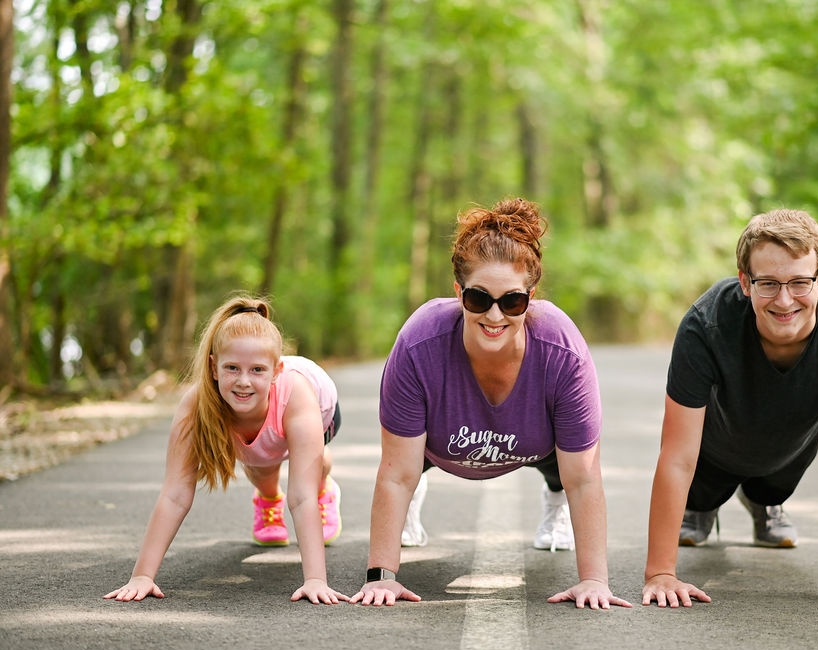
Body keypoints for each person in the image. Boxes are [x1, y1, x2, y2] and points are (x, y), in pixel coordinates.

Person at [350, 197, 631, 610]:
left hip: (540, 447)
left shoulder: (562, 352)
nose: (495, 315)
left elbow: (584, 478)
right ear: (458, 292)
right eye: (479, 299)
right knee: (408, 470)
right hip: (436, 446)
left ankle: (553, 504)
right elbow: (395, 473)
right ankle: (410, 509)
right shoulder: (419, 343)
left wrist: (593, 581)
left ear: (531, 298)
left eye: (512, 301)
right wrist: (382, 577)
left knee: (570, 467)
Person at [642, 208, 818, 610]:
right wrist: (660, 574)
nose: (784, 300)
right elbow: (677, 457)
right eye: (767, 284)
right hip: (714, 446)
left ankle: (765, 503)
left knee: (772, 483)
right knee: (700, 495)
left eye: (800, 282)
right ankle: (703, 509)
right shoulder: (705, 324)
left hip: (791, 444)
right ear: (745, 283)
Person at [104, 296, 347, 604]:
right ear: (213, 367)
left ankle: (326, 486)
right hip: (255, 433)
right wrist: (142, 576)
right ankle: (269, 498)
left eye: (257, 370)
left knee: (311, 471)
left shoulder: (298, 393)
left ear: (276, 372)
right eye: (232, 368)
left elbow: (300, 498)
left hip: (318, 414)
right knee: (261, 462)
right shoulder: (196, 403)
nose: (244, 381)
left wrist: (315, 580)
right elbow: (175, 494)